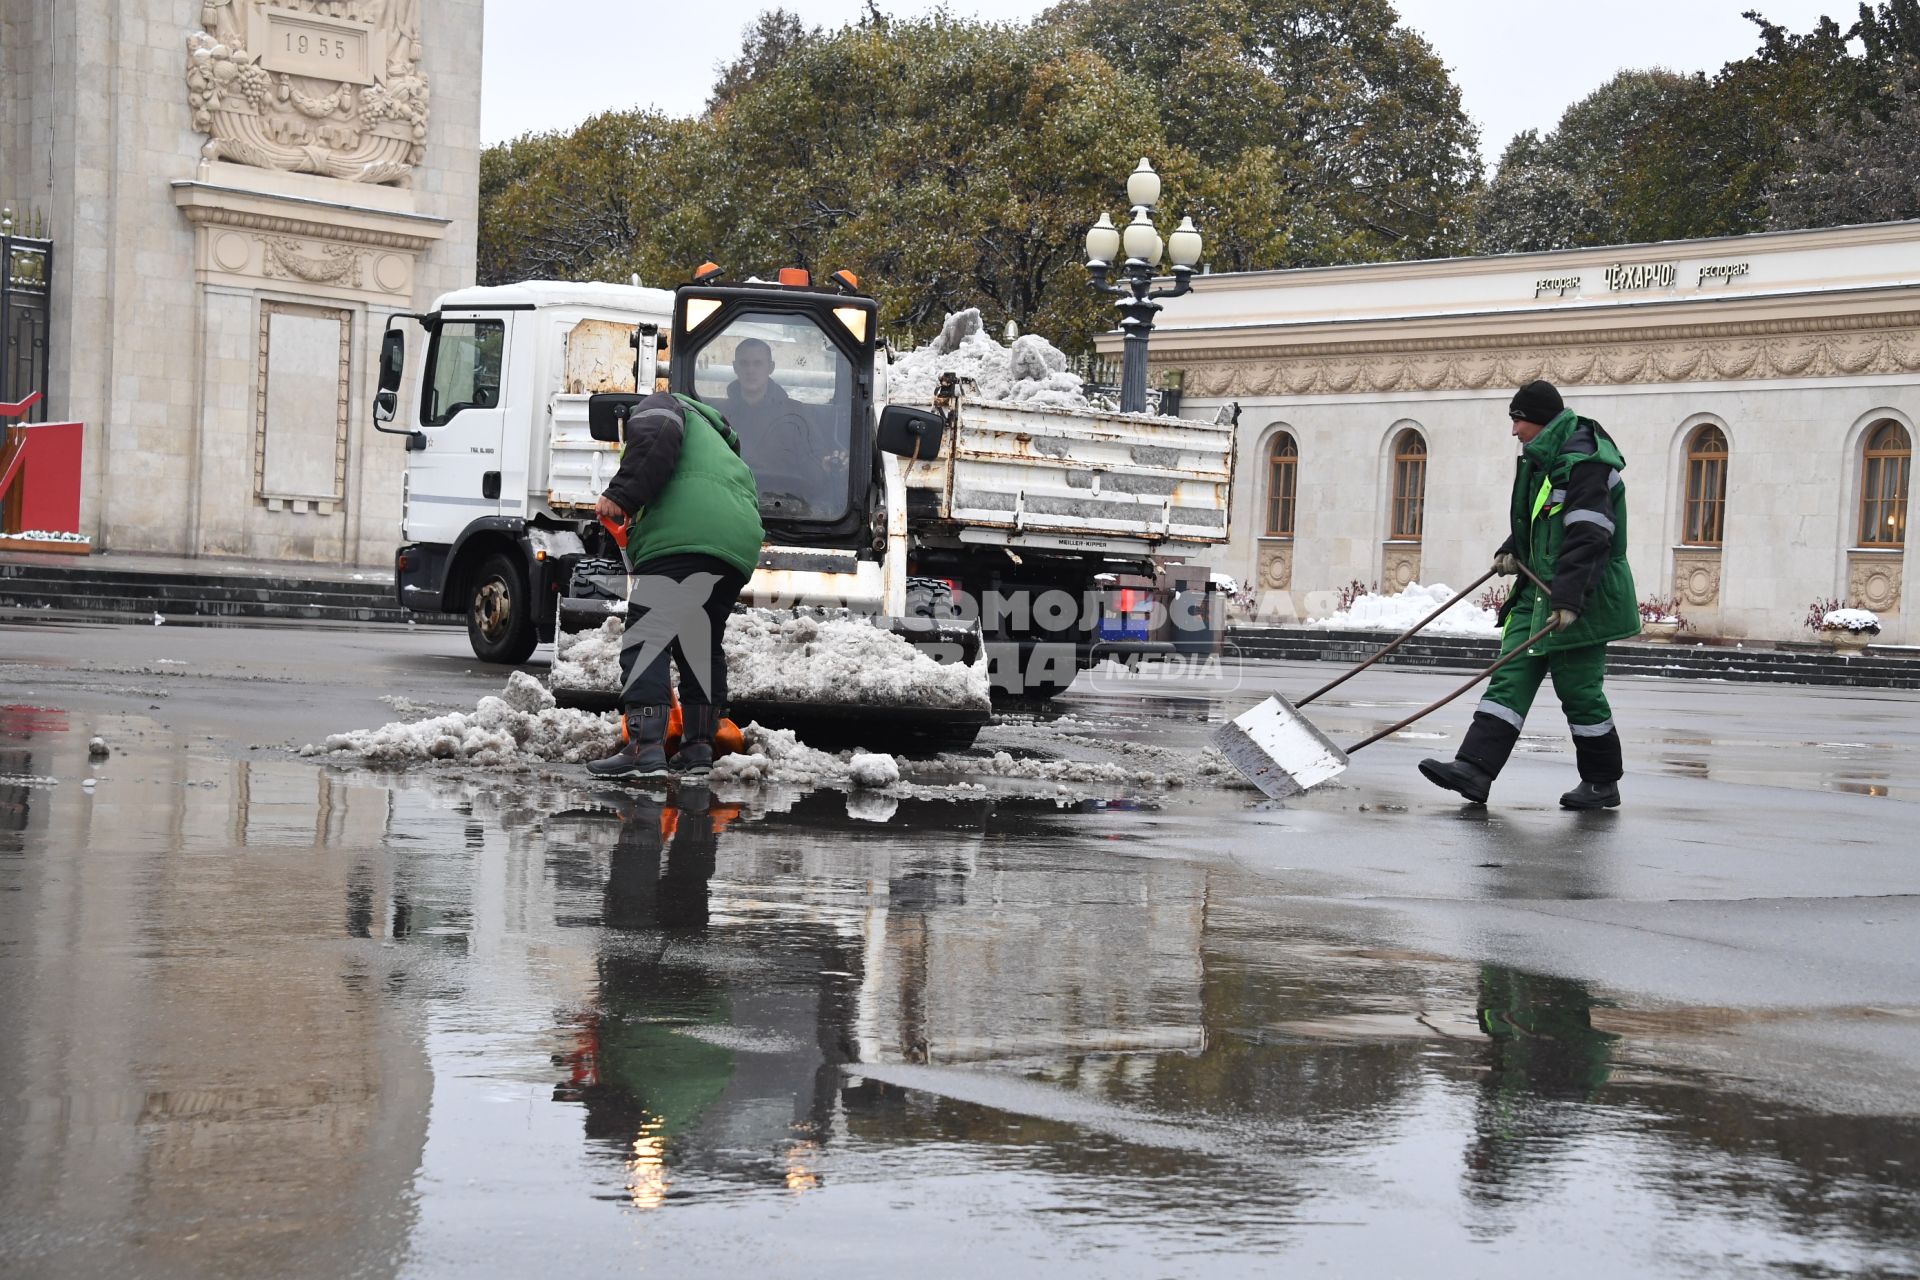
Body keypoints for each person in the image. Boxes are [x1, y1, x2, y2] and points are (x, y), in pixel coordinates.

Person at [1419, 380, 1638, 810]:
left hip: (1582, 596)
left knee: (1579, 692)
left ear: (1540, 419)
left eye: (1518, 420)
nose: (1514, 430)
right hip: (1537, 591)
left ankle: (1601, 783)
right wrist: (1512, 548)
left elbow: (1590, 535)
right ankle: (1474, 771)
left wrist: (1570, 600)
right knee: (1510, 676)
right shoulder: (1544, 458)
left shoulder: (1587, 462)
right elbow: (1540, 518)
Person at [587, 391, 764, 779]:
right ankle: (698, 746)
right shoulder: (722, 446)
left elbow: (658, 433)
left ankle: (644, 747)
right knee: (698, 640)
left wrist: (621, 495)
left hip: (685, 536)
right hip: (735, 546)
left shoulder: (663, 405)